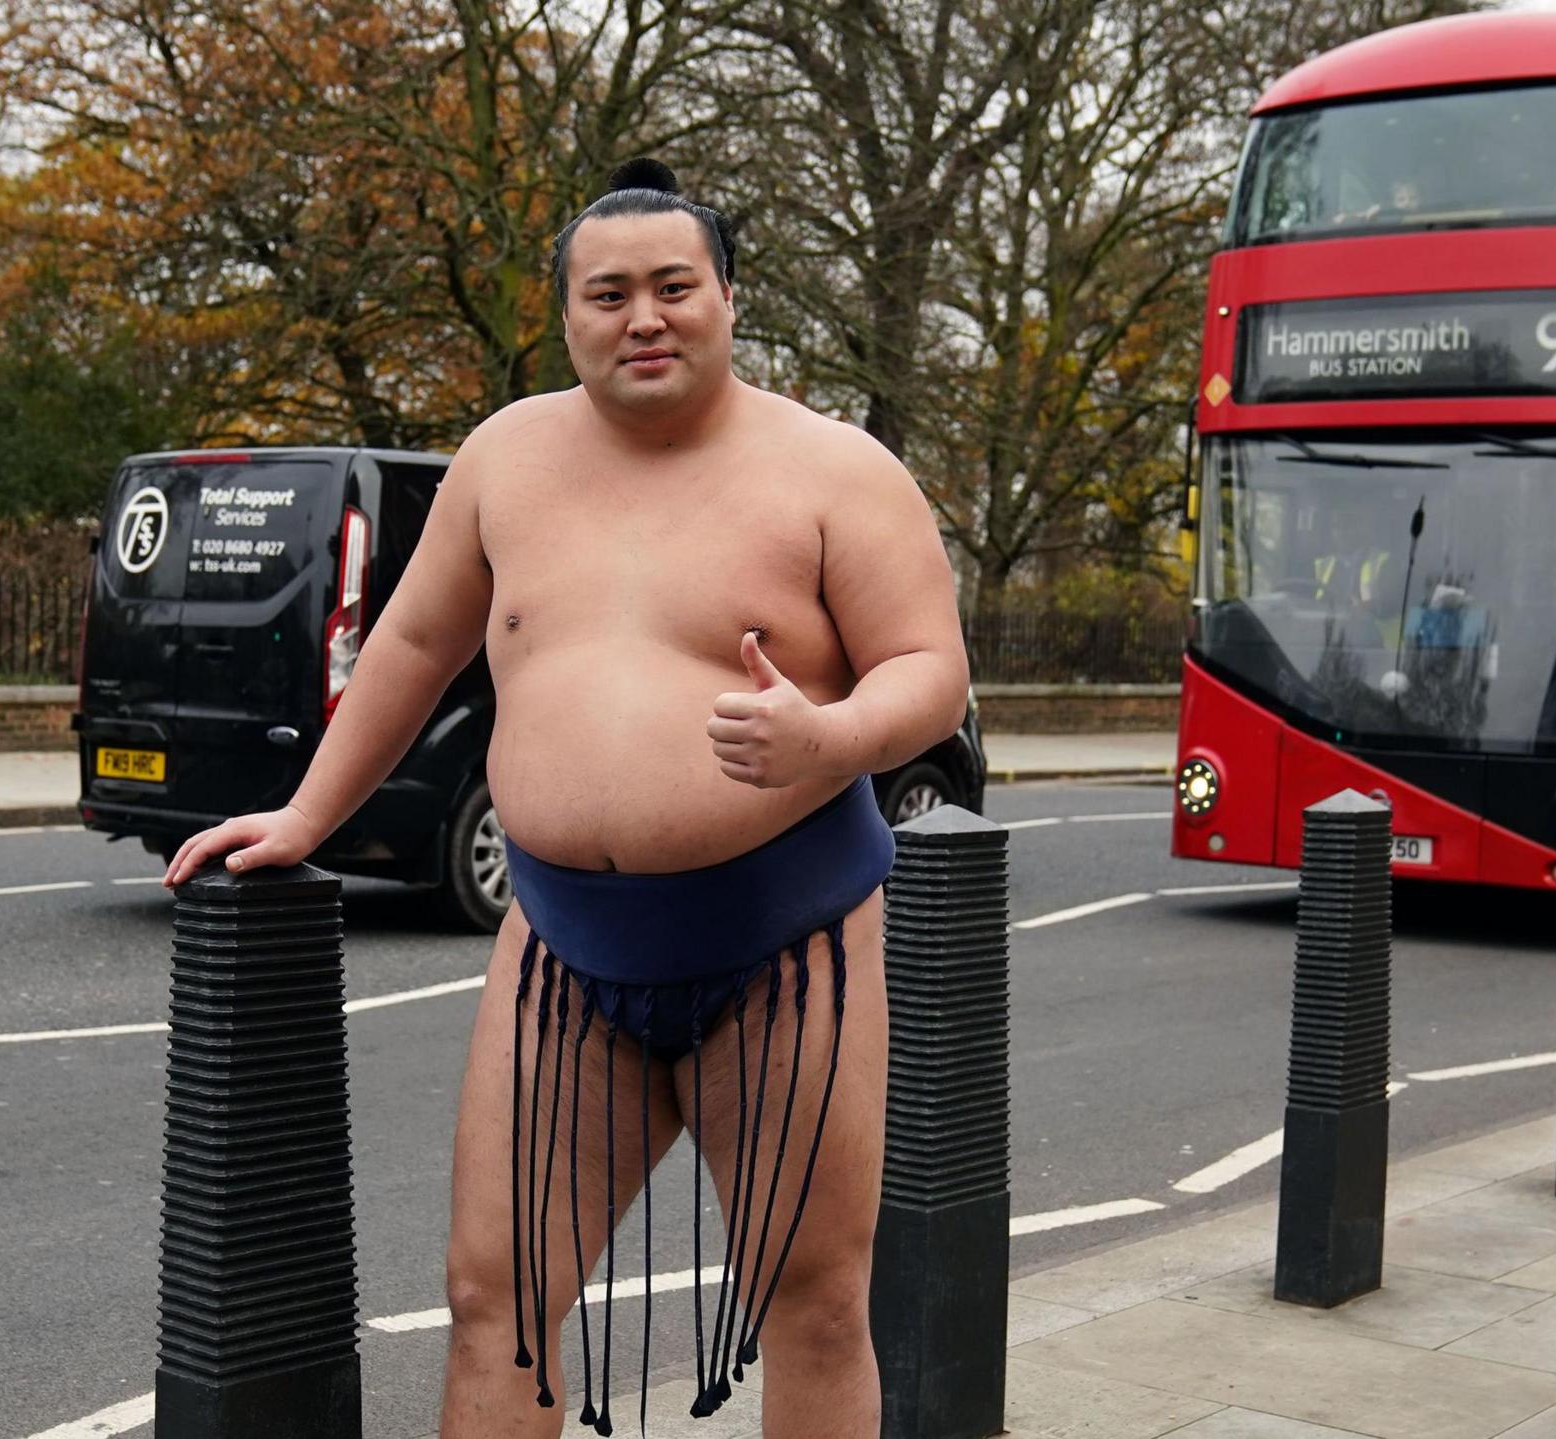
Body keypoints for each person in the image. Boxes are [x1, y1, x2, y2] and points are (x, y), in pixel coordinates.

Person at [159, 157, 969, 1438]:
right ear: (567, 316)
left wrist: (830, 735)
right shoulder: (504, 459)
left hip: (786, 944)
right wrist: (307, 814)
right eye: (608, 294)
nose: (642, 317)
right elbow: (412, 646)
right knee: (496, 1297)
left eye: (671, 287)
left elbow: (931, 670)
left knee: (811, 1301)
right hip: (560, 953)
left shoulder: (837, 469)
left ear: (727, 299)